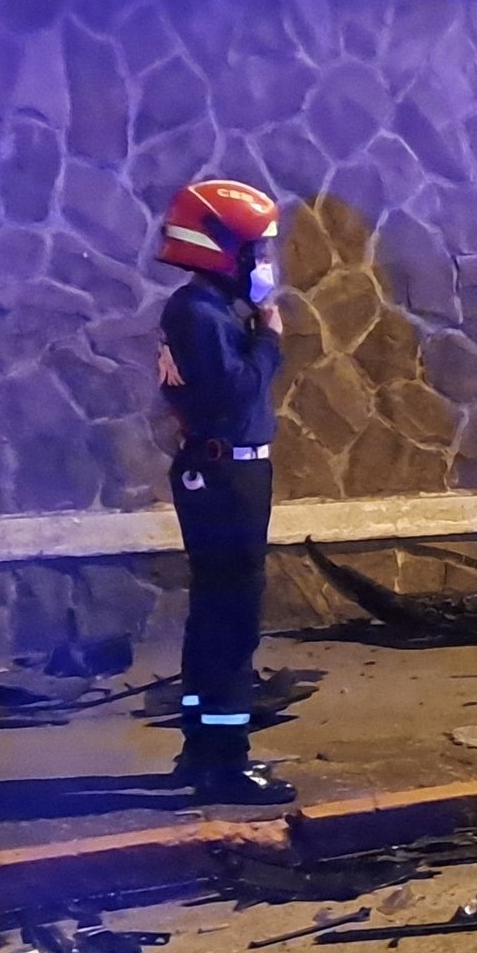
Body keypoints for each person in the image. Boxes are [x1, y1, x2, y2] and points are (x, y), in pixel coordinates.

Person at [153, 178, 294, 803]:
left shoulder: (205, 310)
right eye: (254, 251)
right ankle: (225, 762)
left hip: (225, 473)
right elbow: (234, 391)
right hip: (224, 475)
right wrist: (269, 335)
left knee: (216, 614)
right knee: (232, 618)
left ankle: (202, 749)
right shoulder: (198, 313)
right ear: (219, 248)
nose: (261, 265)